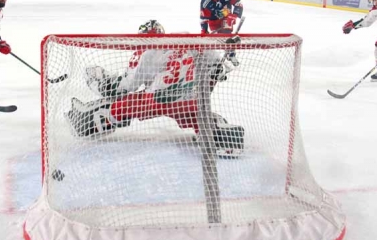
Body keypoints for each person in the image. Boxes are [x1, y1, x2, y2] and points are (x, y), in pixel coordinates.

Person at [66, 20, 244, 157]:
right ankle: (220, 136)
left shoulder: (148, 51)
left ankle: (87, 123)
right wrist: (218, 68)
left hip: (159, 99)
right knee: (197, 116)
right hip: (191, 98)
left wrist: (105, 84)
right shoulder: (188, 39)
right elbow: (214, 64)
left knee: (123, 105)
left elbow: (129, 85)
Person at [199, 0, 243, 66]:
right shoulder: (205, 1)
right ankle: (228, 50)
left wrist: (234, 15)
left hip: (227, 18)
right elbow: (203, 17)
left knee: (226, 34)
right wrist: (204, 30)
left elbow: (239, 3)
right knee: (221, 39)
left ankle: (231, 54)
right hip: (213, 20)